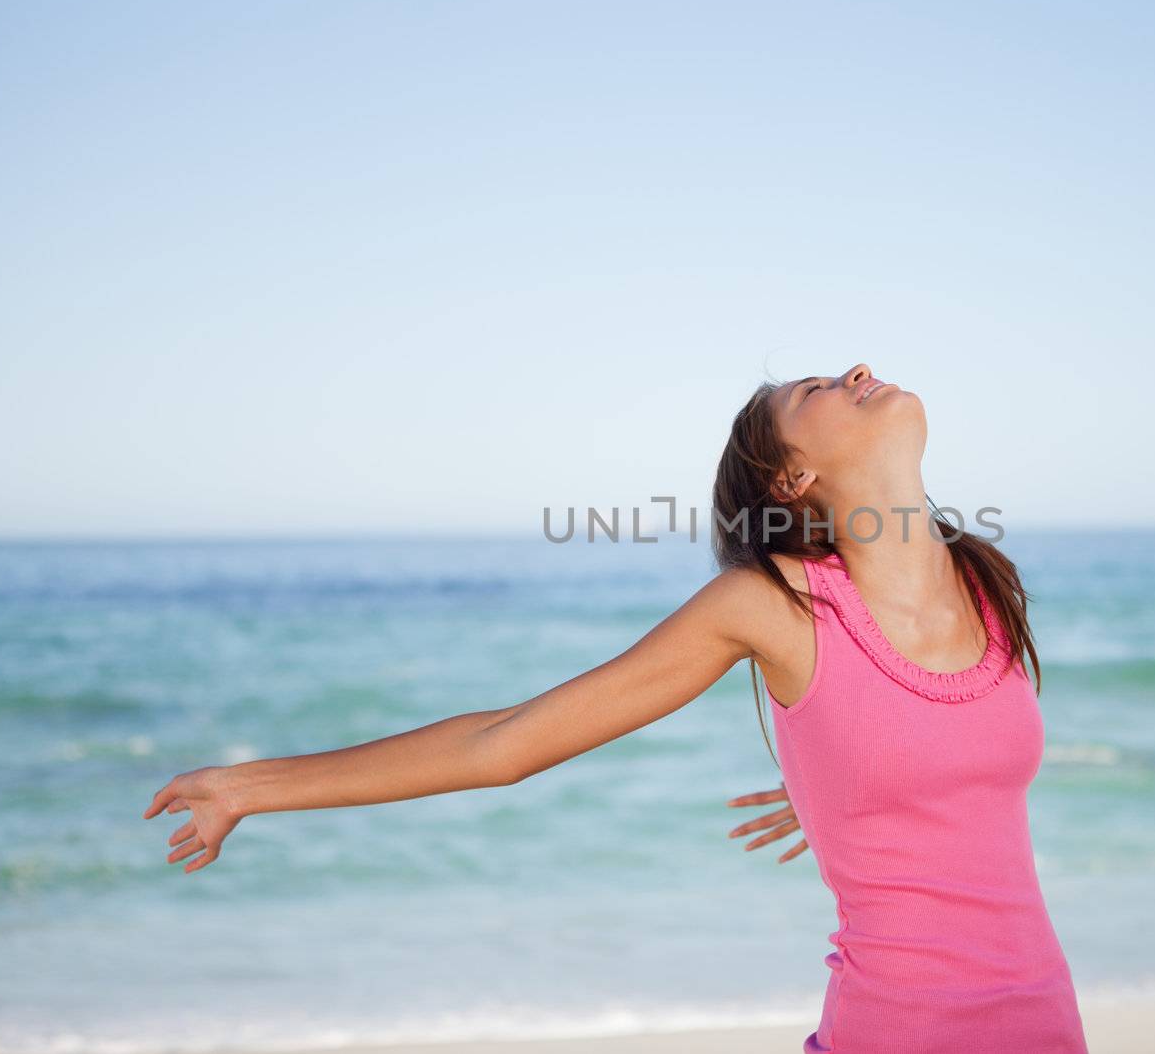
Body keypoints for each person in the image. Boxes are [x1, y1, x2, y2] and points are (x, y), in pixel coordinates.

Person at [142, 363, 1089, 1053]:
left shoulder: (984, 580)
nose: (856, 372)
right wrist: (251, 785)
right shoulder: (775, 606)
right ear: (793, 479)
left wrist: (850, 789)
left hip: (1050, 1022)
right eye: (815, 391)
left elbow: (952, 759)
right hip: (897, 1035)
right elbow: (502, 742)